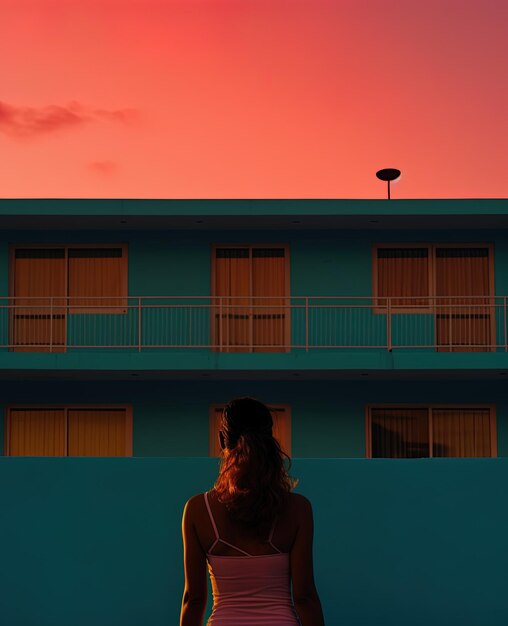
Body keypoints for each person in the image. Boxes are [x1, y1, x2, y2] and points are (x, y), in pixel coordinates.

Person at [180, 396, 325, 626]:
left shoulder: (198, 510)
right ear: (269, 439)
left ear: (221, 440)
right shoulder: (298, 509)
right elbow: (304, 596)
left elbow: (194, 599)